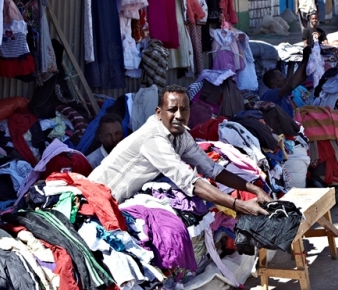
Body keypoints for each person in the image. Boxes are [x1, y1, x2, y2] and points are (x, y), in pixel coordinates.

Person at [90, 85, 270, 215]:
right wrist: (239, 205)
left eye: (184, 110)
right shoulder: (153, 138)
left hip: (115, 201)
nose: (178, 115)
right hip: (96, 199)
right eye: (172, 110)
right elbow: (191, 182)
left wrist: (255, 190)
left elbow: (213, 170)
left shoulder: (181, 134)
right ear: (159, 112)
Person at [261, 45, 312, 118]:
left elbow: (300, 80)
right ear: (274, 81)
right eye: (281, 76)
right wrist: (304, 61)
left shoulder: (284, 94)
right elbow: (292, 84)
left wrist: (307, 61)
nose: (284, 78)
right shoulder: (270, 94)